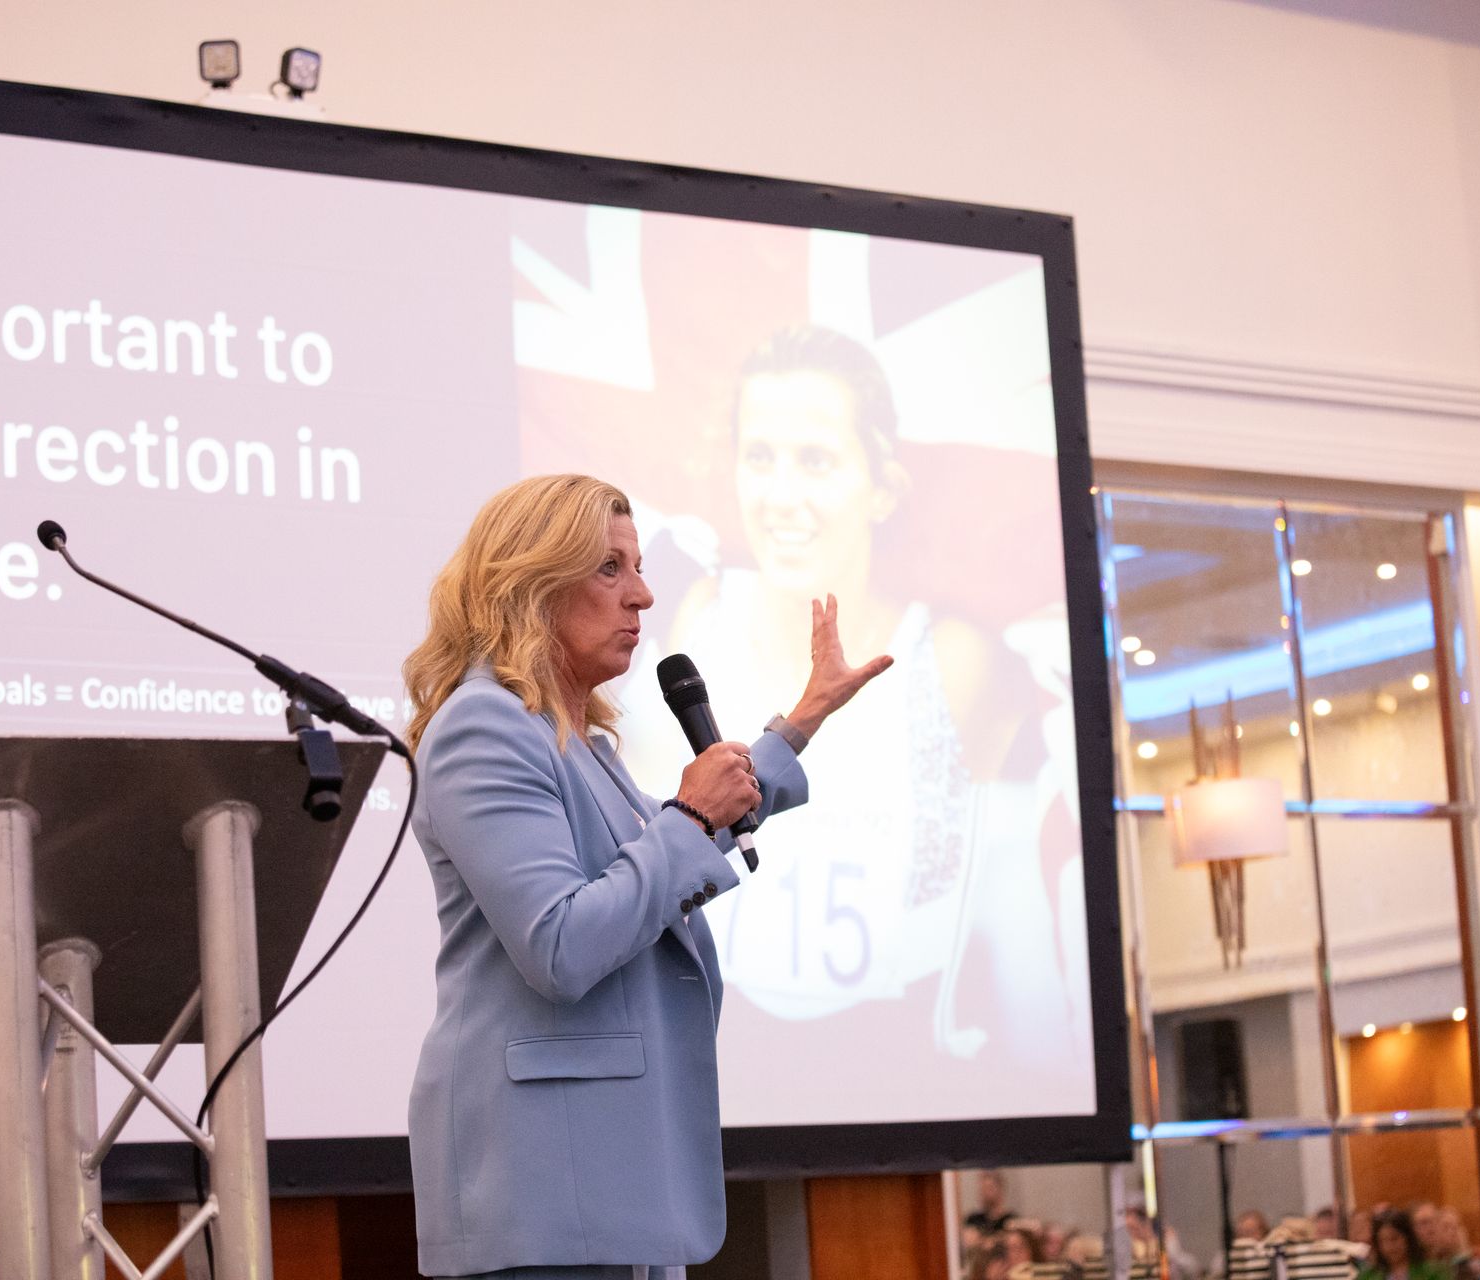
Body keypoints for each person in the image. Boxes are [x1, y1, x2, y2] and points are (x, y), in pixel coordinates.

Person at [402, 474, 891, 1278]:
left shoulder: (575, 740)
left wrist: (798, 724)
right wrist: (692, 820)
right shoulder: (482, 726)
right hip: (548, 1191)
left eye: (638, 567)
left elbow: (652, 864)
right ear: (530, 582)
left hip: (612, 1184)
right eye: (610, 569)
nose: (643, 594)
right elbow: (561, 943)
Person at [622, 325, 1086, 1089]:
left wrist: (1050, 1077)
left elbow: (1009, 899)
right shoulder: (691, 622)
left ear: (883, 488)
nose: (781, 496)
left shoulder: (955, 658)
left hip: (900, 1070)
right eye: (759, 457)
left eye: (816, 460)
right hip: (709, 1066)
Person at [1358, 1210, 1451, 1280]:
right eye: (1382, 1241)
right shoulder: (1368, 1276)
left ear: (1407, 1237)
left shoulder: (1432, 1272)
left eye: (1394, 1239)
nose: (1389, 1247)